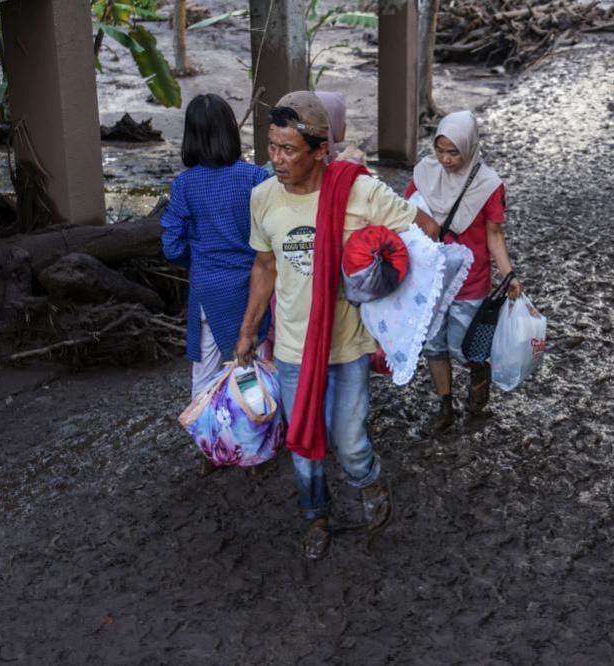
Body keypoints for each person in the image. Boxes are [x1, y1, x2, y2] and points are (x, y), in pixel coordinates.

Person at [235, 91, 439, 560]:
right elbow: (264, 267)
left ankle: (369, 484)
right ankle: (316, 518)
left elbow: (425, 231)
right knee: (303, 443)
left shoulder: (359, 191)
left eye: (289, 150)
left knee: (349, 443)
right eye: (271, 147)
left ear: (321, 150)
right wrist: (248, 330)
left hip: (347, 348)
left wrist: (383, 280)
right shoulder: (263, 197)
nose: (277, 160)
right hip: (291, 348)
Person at [405, 110, 523, 434]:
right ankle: (445, 406)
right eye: (440, 150)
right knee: (432, 346)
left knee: (463, 346)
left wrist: (508, 274)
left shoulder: (488, 186)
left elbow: (494, 235)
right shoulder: (424, 174)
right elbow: (405, 217)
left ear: (469, 148)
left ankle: (478, 371)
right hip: (431, 278)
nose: (445, 159)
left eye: (453, 152)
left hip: (471, 281)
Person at [160, 93, 270, 398]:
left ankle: (210, 440)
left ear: (190, 136)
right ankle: (253, 434)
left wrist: (198, 262)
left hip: (207, 291)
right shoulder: (256, 178)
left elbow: (171, 246)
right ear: (231, 131)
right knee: (248, 367)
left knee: (205, 375)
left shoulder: (184, 184)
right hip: (251, 288)